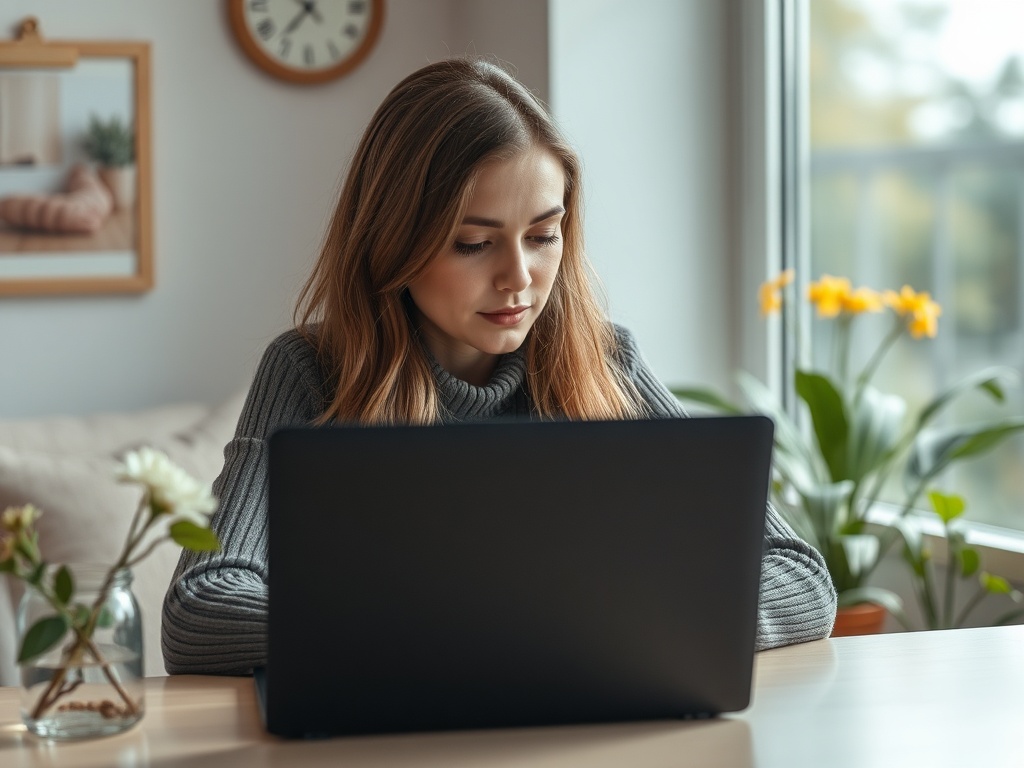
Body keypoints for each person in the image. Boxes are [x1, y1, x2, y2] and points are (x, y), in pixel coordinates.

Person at [162, 58, 836, 676]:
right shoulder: (310, 371)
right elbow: (200, 606)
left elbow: (799, 577)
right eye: (473, 243)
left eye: (543, 236)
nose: (519, 276)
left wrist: (626, 630)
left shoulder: (607, 364)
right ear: (393, 240)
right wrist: (465, 634)